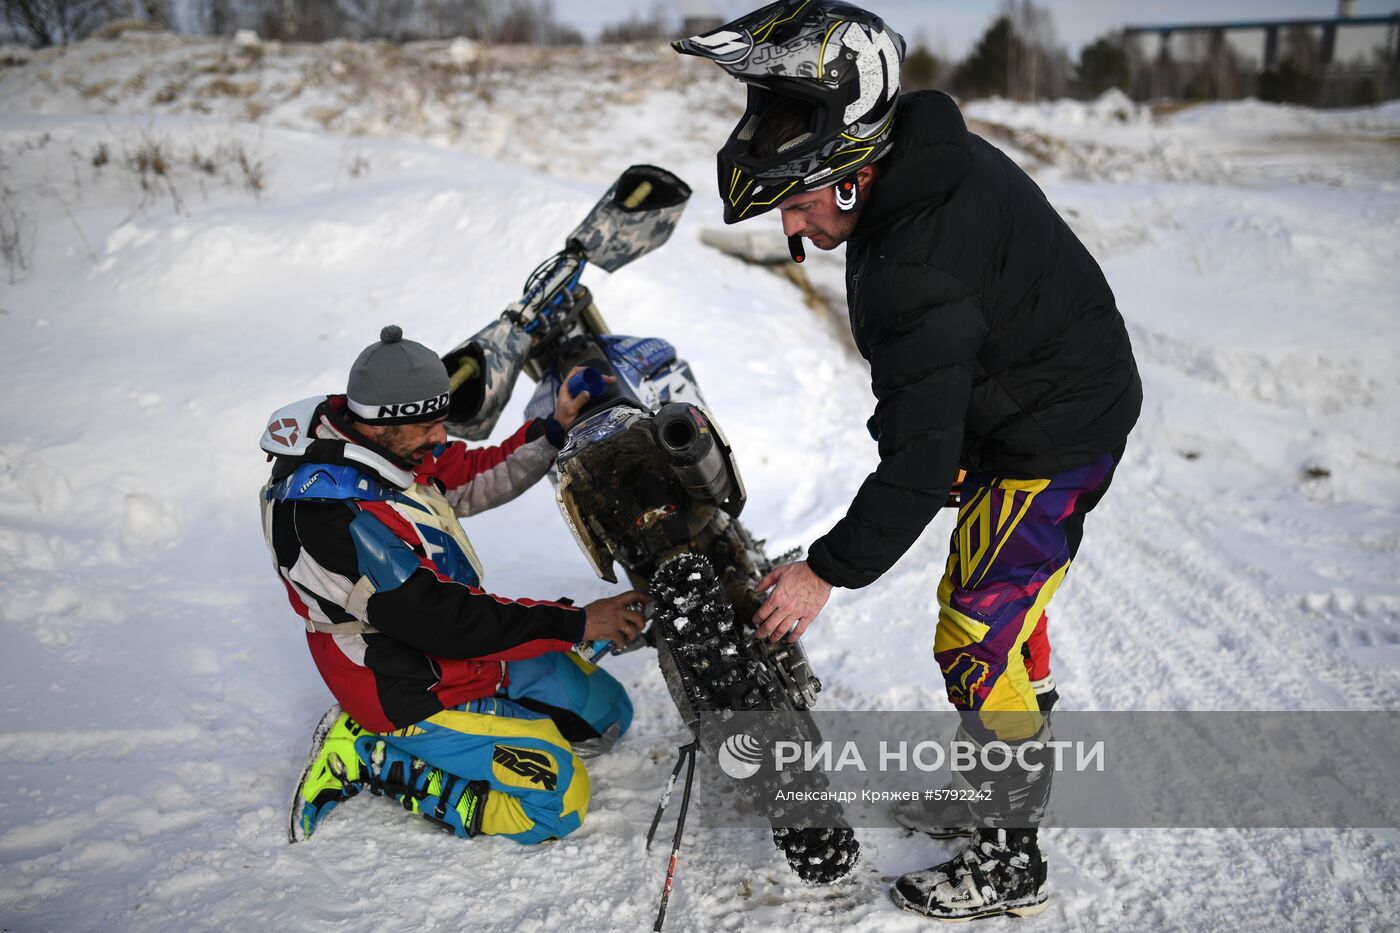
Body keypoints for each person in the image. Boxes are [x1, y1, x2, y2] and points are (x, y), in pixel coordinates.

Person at [675, 0, 1141, 921]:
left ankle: (1011, 861)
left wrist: (824, 571)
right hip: (1042, 401)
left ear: (851, 177)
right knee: (1004, 617)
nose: (794, 233)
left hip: (1054, 434)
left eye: (800, 203)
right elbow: (956, 375)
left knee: (974, 631)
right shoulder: (923, 164)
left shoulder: (908, 262)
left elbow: (917, 466)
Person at [259, 325, 647, 846]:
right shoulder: (331, 518)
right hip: (406, 685)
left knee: (608, 717)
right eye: (429, 426)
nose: (441, 437)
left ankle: (499, 720)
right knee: (560, 801)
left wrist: (554, 427)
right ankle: (370, 754)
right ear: (379, 427)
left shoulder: (390, 449)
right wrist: (577, 622)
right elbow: (445, 621)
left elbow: (467, 473)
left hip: (464, 645)